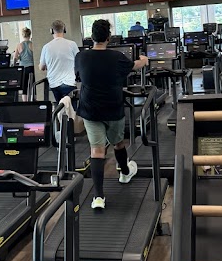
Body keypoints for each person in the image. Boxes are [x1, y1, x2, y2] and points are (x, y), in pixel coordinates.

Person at [75, 18, 149, 210]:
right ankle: (124, 172)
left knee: (97, 151)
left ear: (92, 37)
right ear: (108, 37)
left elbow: (79, 76)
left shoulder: (81, 57)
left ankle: (98, 197)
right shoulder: (117, 57)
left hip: (90, 109)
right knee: (118, 143)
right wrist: (144, 60)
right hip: (112, 108)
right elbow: (134, 66)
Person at [40, 20, 79, 103]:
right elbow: (79, 61)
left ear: (51, 31)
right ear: (64, 29)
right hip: (69, 82)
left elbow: (42, 67)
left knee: (60, 106)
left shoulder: (46, 47)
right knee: (72, 107)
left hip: (54, 83)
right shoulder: (72, 44)